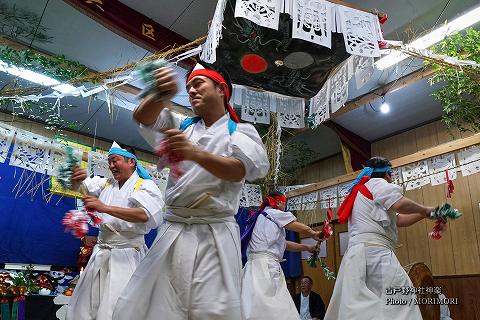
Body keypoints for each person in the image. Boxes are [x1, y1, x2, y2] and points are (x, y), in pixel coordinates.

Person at [113, 61, 270, 320]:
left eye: (198, 84)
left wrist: (194, 153)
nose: (192, 91)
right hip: (174, 229)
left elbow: (241, 169)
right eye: (188, 87)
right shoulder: (181, 126)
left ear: (221, 89)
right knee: (159, 305)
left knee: (210, 308)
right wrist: (161, 94)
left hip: (214, 232)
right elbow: (144, 117)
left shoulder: (240, 132)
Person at [324, 156, 434, 320]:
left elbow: (398, 220)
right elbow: (399, 204)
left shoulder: (362, 192)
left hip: (357, 256)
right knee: (400, 299)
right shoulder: (378, 184)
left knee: (364, 307)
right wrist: (425, 209)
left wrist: (424, 214)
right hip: (375, 254)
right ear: (387, 174)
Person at [66, 142, 164, 320]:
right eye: (109, 161)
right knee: (89, 306)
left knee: (121, 307)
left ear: (131, 162)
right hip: (102, 251)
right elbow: (82, 188)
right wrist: (76, 180)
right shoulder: (106, 184)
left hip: (128, 255)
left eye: (114, 160)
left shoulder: (145, 186)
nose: (111, 166)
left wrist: (105, 208)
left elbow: (144, 215)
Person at [241, 191, 323, 320]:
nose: (285, 207)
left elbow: (284, 244)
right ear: (279, 202)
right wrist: (313, 233)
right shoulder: (273, 213)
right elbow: (295, 226)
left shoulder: (257, 218)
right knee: (274, 306)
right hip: (266, 267)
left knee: (253, 305)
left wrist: (307, 247)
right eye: (285, 204)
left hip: (252, 266)